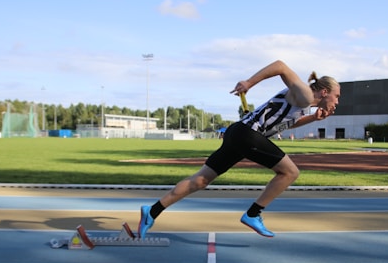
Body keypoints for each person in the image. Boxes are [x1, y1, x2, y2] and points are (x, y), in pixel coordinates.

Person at [138, 60, 340, 238]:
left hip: (239, 133)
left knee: (200, 180)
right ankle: (253, 214)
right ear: (324, 92)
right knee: (290, 172)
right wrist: (249, 83)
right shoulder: (304, 94)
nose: (337, 101)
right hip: (247, 134)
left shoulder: (304, 106)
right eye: (336, 96)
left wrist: (313, 118)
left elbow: (281, 125)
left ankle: (152, 211)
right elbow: (280, 66)